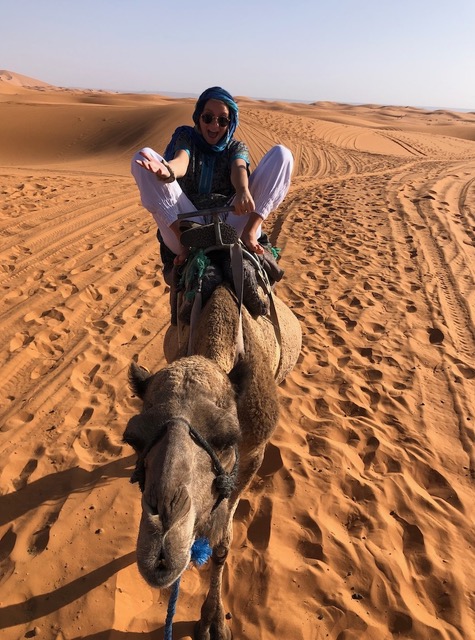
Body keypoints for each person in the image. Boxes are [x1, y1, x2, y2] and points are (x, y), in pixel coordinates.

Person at [131, 86, 293, 273]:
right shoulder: (187, 137)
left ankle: (250, 233)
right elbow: (182, 161)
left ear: (230, 123)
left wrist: (242, 191)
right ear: (199, 117)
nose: (214, 125)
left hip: (231, 223)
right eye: (208, 117)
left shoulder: (236, 147)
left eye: (222, 120)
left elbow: (238, 168)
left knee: (282, 154)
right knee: (142, 156)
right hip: (189, 222)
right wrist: (168, 170)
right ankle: (185, 243)